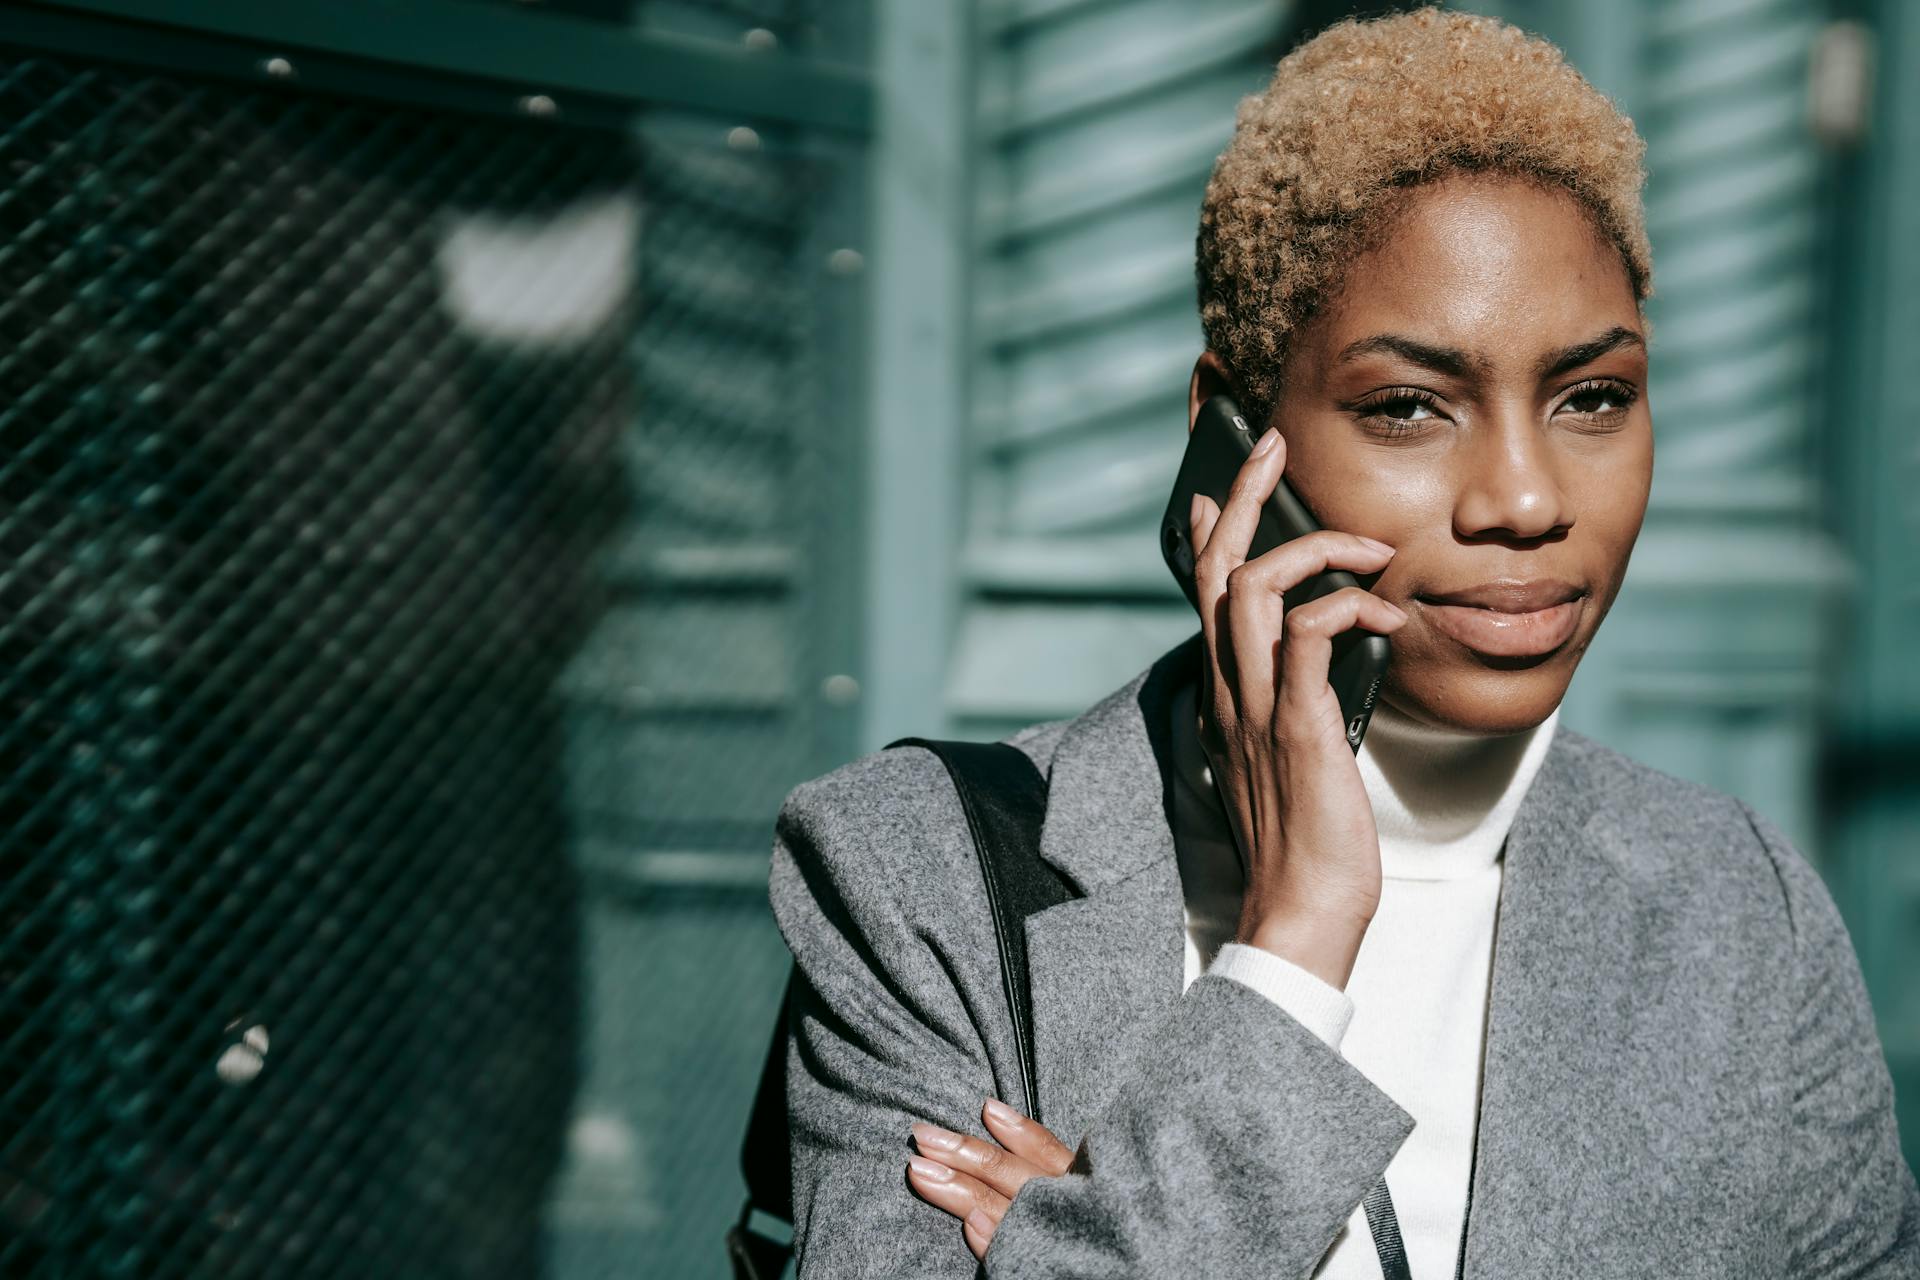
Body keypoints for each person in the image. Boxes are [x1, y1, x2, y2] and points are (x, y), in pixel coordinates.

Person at [766, 8, 1920, 1276]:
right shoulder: (920, 876)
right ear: (1233, 442)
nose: (1527, 501)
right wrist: (1294, 940)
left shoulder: (1736, 903)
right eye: (1411, 408)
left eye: (1593, 397)